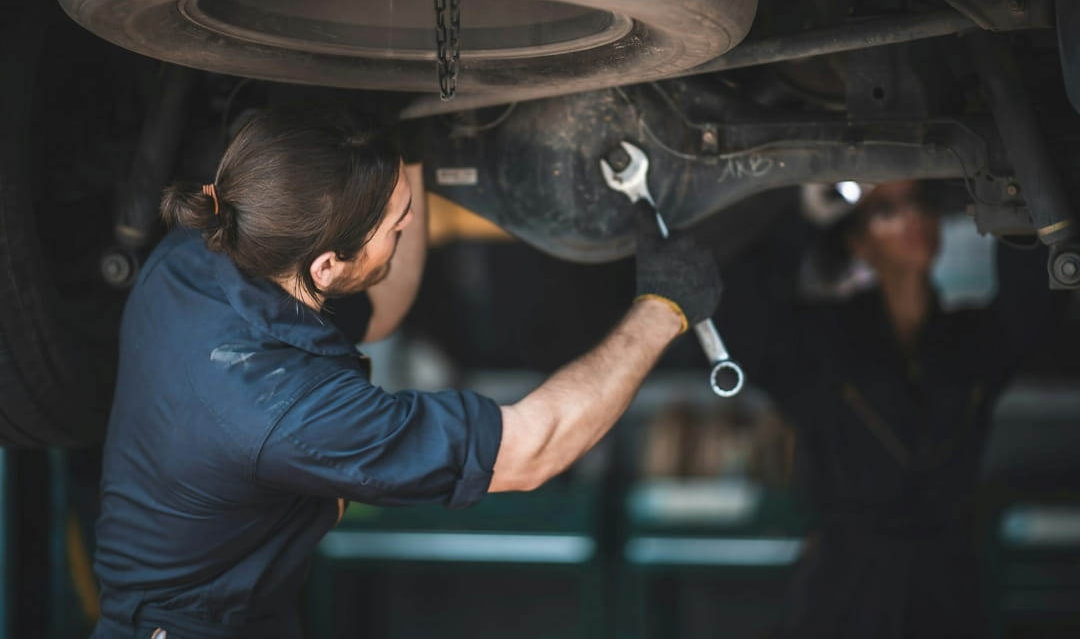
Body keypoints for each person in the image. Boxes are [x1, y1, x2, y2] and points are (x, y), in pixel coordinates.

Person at [89, 105, 720, 639]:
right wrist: (663, 307)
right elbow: (533, 448)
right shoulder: (292, 412)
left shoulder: (207, 248)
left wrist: (405, 140)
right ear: (328, 267)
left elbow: (382, 307)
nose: (415, 224)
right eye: (398, 224)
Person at [732, 180, 1054, 639]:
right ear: (859, 243)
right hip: (847, 589)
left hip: (949, 587)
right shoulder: (822, 345)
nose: (911, 220)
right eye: (886, 210)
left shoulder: (972, 341)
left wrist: (1012, 188)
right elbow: (744, 315)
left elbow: (1034, 297)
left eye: (919, 204)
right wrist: (808, 214)